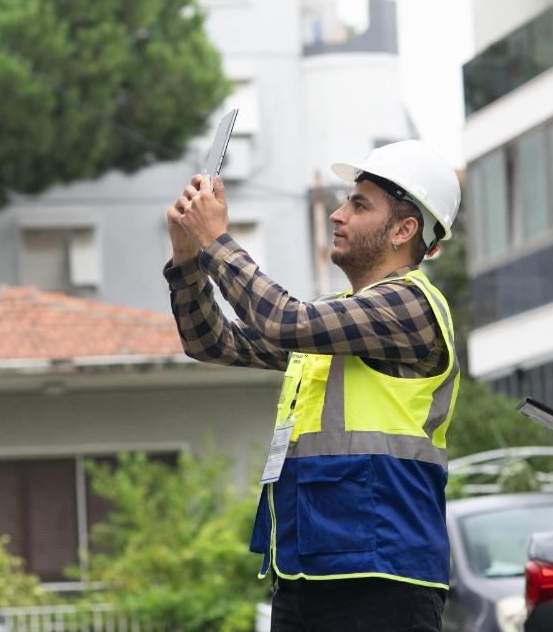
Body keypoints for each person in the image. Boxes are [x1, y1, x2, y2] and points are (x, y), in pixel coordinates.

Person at [164, 139, 462, 632]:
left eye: (359, 205)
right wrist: (186, 258)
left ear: (404, 230)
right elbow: (212, 343)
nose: (338, 215)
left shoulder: (411, 307)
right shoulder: (334, 318)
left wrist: (215, 239)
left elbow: (284, 320)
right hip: (303, 574)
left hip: (382, 579)